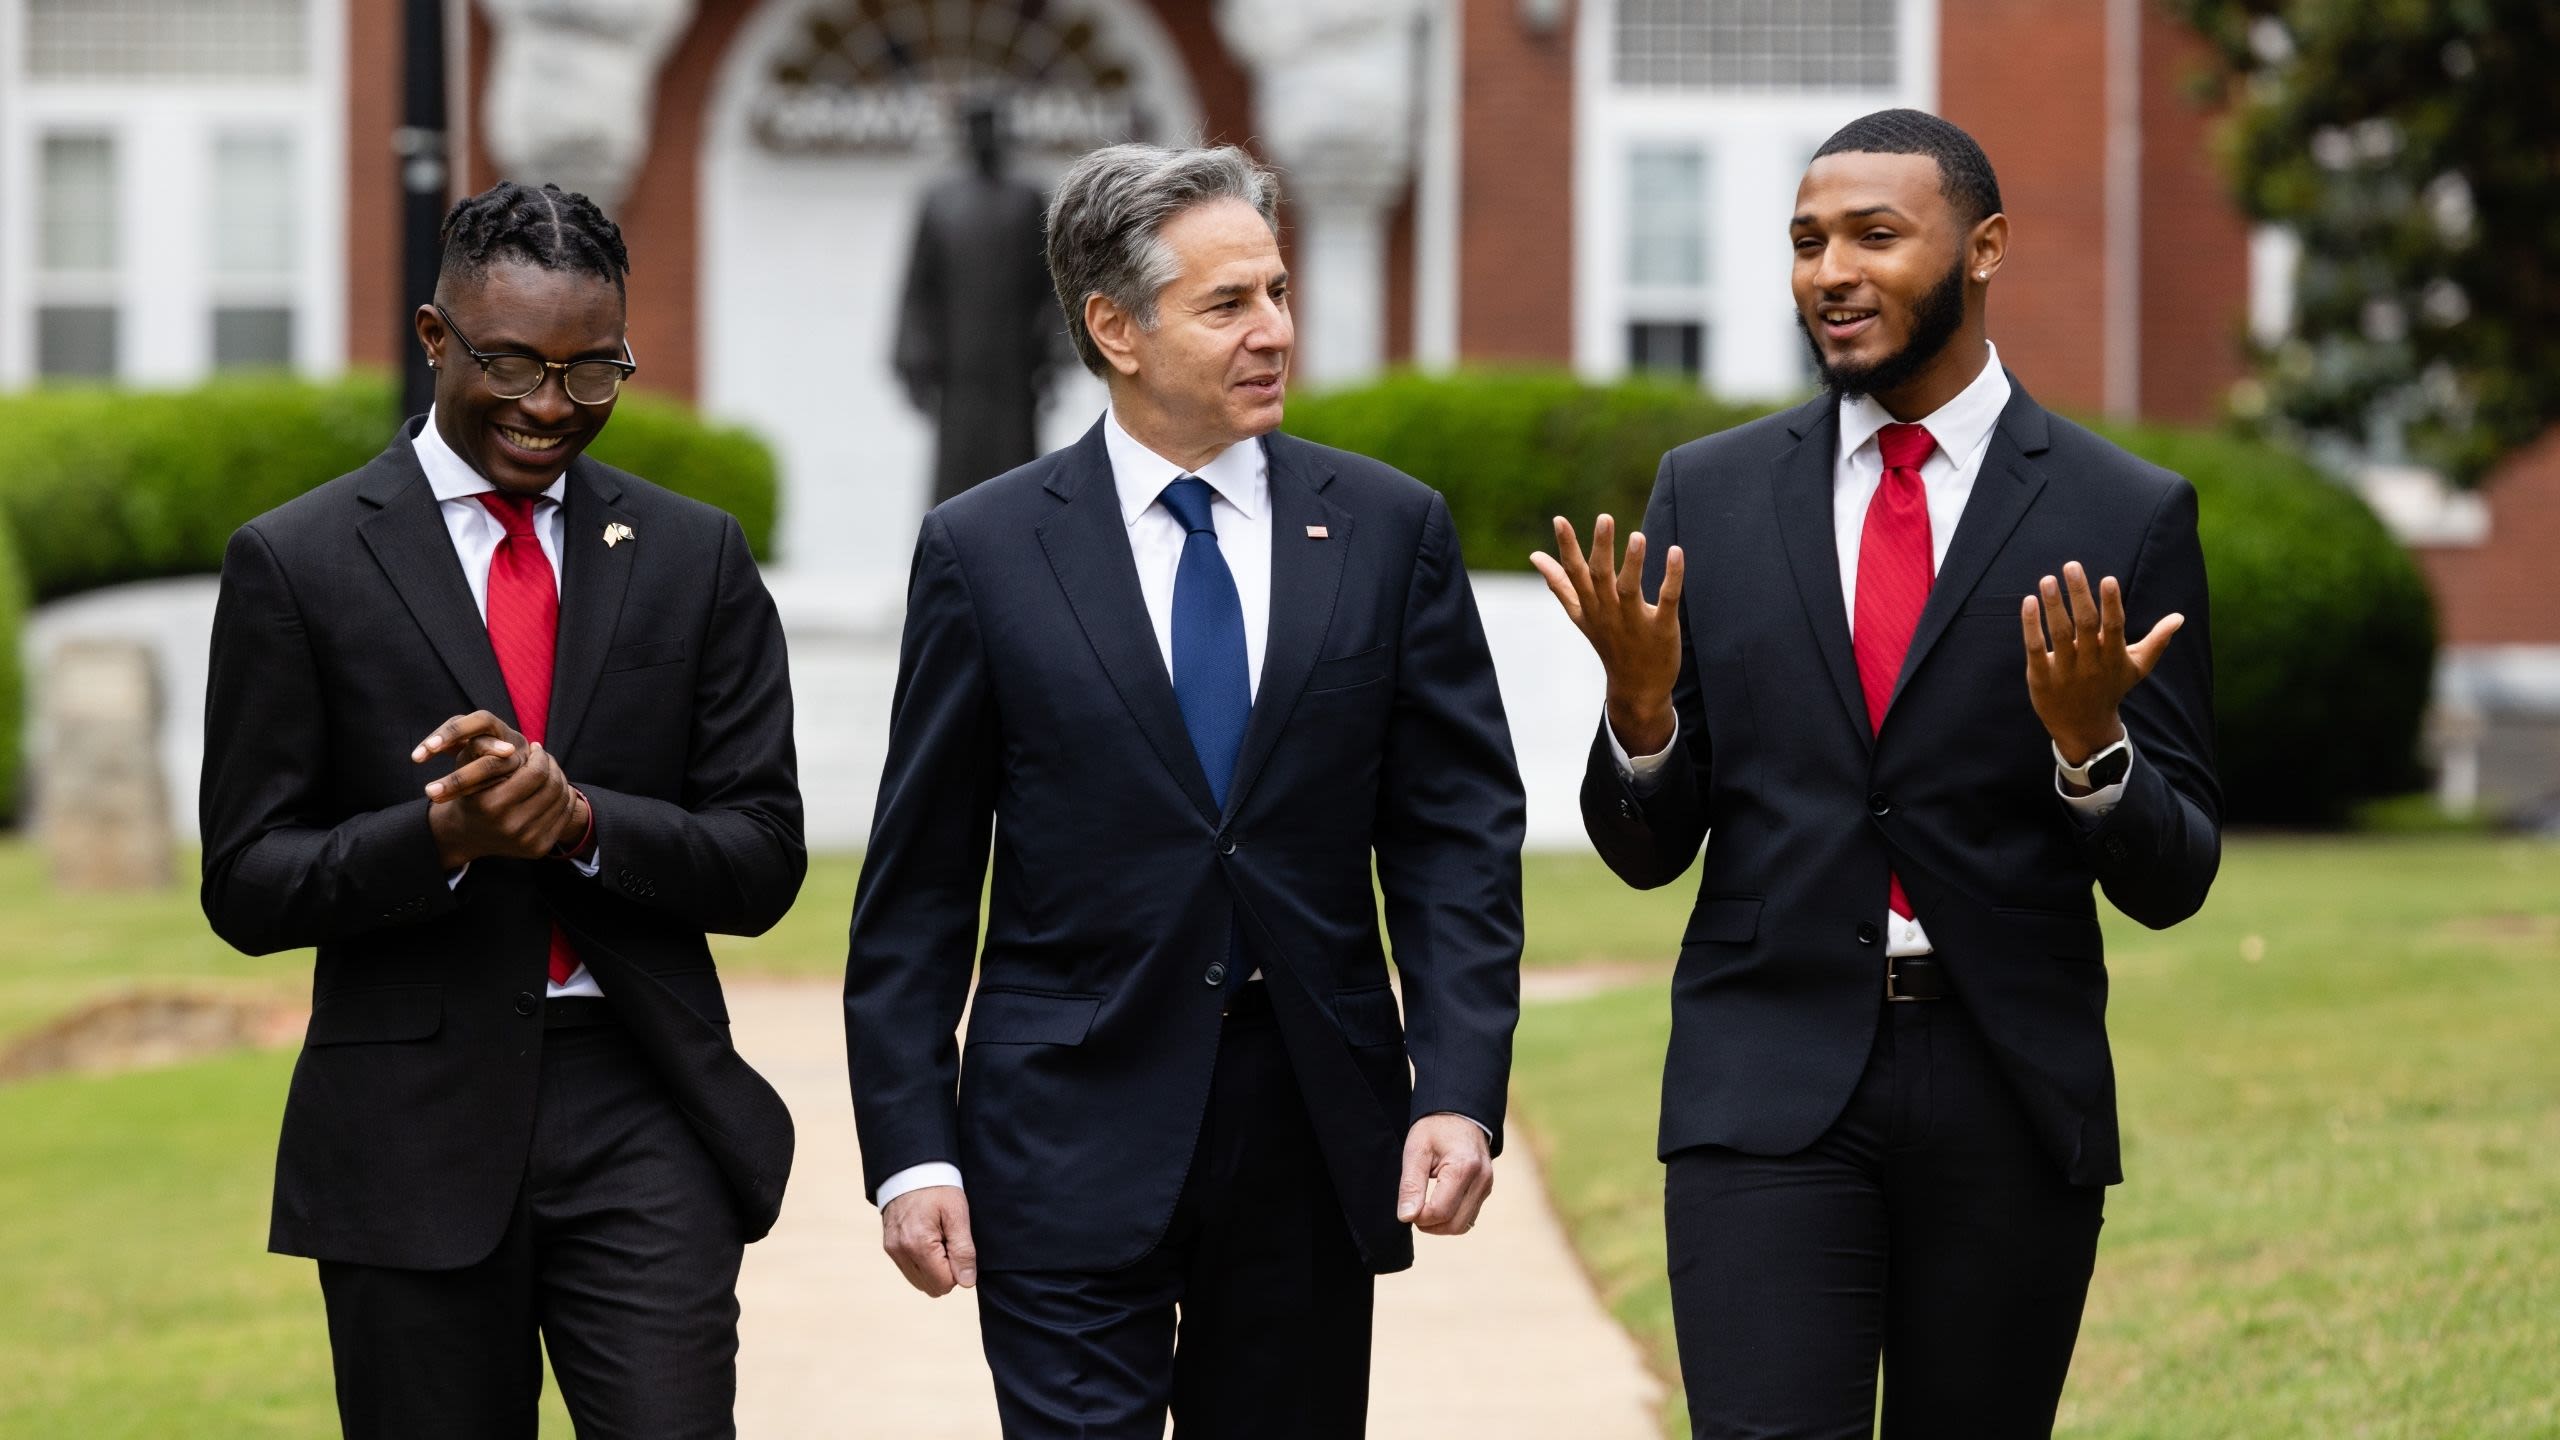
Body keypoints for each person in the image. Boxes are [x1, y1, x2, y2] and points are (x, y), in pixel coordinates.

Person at [1534, 109, 2220, 1437]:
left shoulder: (2119, 512)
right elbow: (1642, 847)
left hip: (2007, 1088)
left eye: (1873, 235)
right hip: (1764, 1083)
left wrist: (2092, 747)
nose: (1829, 271)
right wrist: (1640, 711)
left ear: (1984, 248)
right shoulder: (1710, 496)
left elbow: (2176, 874)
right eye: (1805, 242)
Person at [844, 142, 1526, 1437]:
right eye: (1227, 305)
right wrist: (912, 1148)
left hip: (1311, 1132)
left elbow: (1454, 840)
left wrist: (1457, 1086)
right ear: (1115, 329)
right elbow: (920, 883)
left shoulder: (1390, 532)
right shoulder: (985, 552)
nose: (1273, 331)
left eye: (1276, 291)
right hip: (1060, 1131)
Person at [199, 180, 804, 1439]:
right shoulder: (298, 563)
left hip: (642, 1099)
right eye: (514, 363)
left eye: (595, 373)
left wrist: (581, 822)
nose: (549, 407)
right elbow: (247, 882)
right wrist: (440, 841)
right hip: (407, 1126)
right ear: (434, 339)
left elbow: (761, 859)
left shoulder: (696, 558)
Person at [894, 96, 1067, 505]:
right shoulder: (940, 203)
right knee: (957, 473)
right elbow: (918, 289)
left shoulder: (1027, 199)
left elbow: (1054, 287)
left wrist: (1057, 356)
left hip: (1016, 370)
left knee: (1017, 473)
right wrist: (915, 362)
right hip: (958, 373)